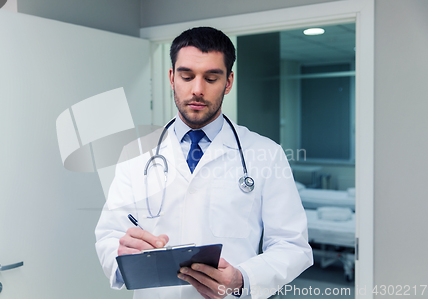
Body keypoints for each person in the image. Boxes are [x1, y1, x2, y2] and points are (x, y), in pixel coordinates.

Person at [95, 27, 312, 299]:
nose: (197, 90)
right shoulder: (135, 153)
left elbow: (292, 245)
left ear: (228, 82)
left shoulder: (266, 153)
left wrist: (242, 279)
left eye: (211, 78)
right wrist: (121, 254)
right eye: (187, 76)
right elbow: (110, 233)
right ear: (172, 78)